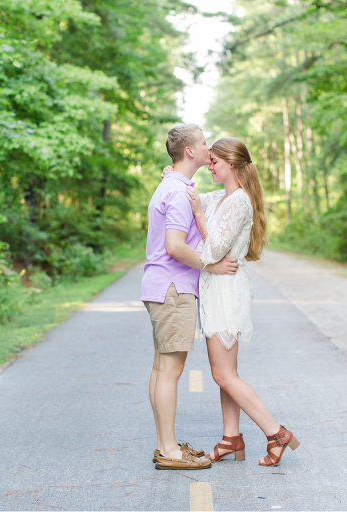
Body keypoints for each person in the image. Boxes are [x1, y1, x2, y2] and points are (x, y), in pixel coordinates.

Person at [165, 137, 299, 467]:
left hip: (226, 292)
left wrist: (197, 213)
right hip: (217, 289)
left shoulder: (239, 201)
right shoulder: (222, 198)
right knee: (227, 372)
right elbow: (192, 195)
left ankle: (276, 433)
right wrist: (173, 175)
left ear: (232, 165)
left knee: (224, 375)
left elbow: (213, 250)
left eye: (214, 162)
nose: (209, 167)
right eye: (208, 161)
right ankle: (230, 438)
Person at [142, 124, 239, 470]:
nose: (207, 145)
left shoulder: (174, 184)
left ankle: (163, 444)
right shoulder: (178, 191)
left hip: (162, 286)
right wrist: (210, 266)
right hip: (173, 287)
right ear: (189, 152)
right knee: (170, 369)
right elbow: (174, 246)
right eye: (202, 142)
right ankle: (168, 450)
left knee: (161, 368)